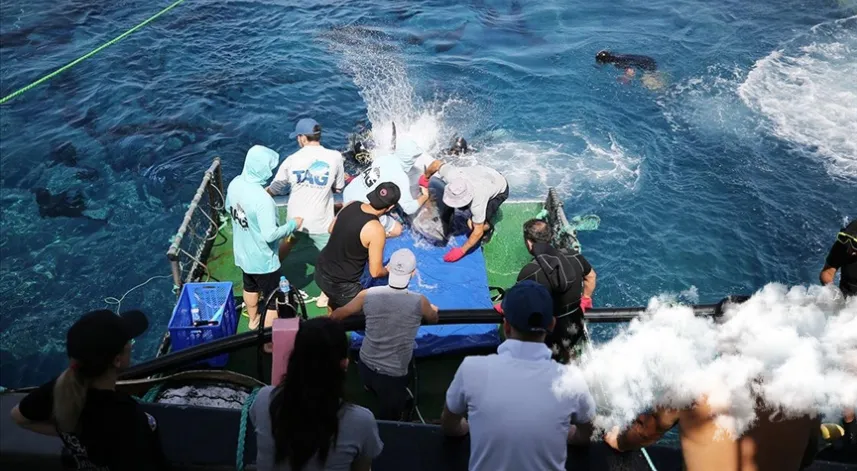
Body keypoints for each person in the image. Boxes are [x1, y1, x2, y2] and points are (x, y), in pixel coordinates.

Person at [441, 280, 596, 471]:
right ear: (552, 324)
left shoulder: (471, 369)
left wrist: (468, 427)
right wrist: (568, 433)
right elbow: (586, 434)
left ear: (506, 327)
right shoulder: (571, 380)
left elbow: (450, 425)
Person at [10, 310, 168, 470]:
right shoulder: (126, 416)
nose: (131, 344)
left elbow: (18, 416)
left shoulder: (57, 389)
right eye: (128, 341)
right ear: (117, 360)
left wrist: (72, 435)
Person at [251, 317, 383, 471]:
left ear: (295, 357)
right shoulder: (362, 421)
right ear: (344, 365)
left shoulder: (263, 398)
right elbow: (362, 467)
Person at [330, 248, 439, 420]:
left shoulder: (367, 294)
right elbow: (433, 318)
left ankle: (370, 387)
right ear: (413, 273)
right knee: (391, 418)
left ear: (388, 268)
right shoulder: (420, 301)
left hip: (365, 365)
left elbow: (338, 315)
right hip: (393, 375)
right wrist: (432, 309)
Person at [603, 399, 820, 471]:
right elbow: (808, 457)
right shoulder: (802, 397)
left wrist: (619, 441)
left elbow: (645, 432)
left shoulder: (696, 388)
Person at [226, 145, 302, 332]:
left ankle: (253, 321)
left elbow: (229, 208)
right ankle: (267, 335)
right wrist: (293, 225)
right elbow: (270, 235)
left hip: (243, 253)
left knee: (250, 287)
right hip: (263, 261)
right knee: (273, 299)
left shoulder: (235, 183)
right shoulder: (263, 200)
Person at [515, 218, 597, 364]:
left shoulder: (529, 272)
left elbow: (518, 305)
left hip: (548, 336)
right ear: (550, 237)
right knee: (571, 355)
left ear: (528, 243)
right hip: (575, 326)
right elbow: (591, 276)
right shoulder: (574, 256)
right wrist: (585, 299)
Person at [314, 183, 401, 311]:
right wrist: (389, 269)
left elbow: (331, 229)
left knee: (334, 304)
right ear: (390, 207)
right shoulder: (376, 230)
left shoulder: (352, 204)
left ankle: (330, 317)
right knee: (367, 315)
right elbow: (376, 272)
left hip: (320, 271)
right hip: (342, 286)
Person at [268, 118, 345, 261]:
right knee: (331, 258)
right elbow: (339, 188)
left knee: (288, 242)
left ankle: (275, 265)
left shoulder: (291, 159)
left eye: (298, 136)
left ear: (303, 138)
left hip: (294, 222)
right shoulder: (336, 157)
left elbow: (275, 188)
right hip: (321, 224)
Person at [342, 137, 431, 238]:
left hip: (348, 194)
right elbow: (409, 209)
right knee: (397, 230)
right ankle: (365, 238)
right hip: (360, 211)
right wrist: (425, 196)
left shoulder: (383, 158)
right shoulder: (401, 177)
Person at [423, 160, 509, 262]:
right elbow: (436, 164)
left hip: (498, 185)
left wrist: (461, 251)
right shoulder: (452, 175)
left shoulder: (478, 202)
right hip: (482, 173)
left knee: (472, 224)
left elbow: (478, 231)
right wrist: (425, 178)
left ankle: (489, 228)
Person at [818, 220, 857, 450]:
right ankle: (850, 431)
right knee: (847, 372)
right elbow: (827, 272)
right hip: (846, 312)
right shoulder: (845, 244)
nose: (850, 251)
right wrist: (831, 292)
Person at [820, 220, 857, 297]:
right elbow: (828, 272)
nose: (849, 251)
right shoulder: (843, 244)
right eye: (848, 244)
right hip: (845, 296)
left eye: (855, 245)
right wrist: (833, 292)